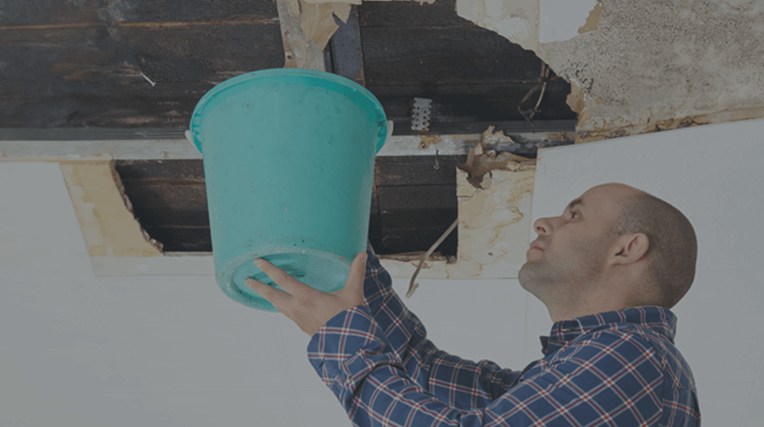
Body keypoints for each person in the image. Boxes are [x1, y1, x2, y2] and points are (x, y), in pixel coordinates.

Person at [246, 182, 701, 426]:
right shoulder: (589, 363)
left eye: (574, 215)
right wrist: (345, 249)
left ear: (627, 249)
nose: (544, 222)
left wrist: (342, 339)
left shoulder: (632, 357)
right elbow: (418, 368)